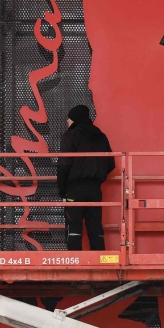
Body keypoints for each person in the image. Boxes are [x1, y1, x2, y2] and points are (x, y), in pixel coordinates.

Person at [57, 105, 115, 251]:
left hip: (74, 189)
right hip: (95, 189)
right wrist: (97, 175)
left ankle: (75, 262)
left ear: (74, 119)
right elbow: (111, 163)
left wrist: (62, 189)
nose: (67, 122)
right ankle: (99, 261)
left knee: (74, 226)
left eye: (68, 119)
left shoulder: (70, 136)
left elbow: (64, 165)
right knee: (95, 225)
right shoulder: (101, 136)